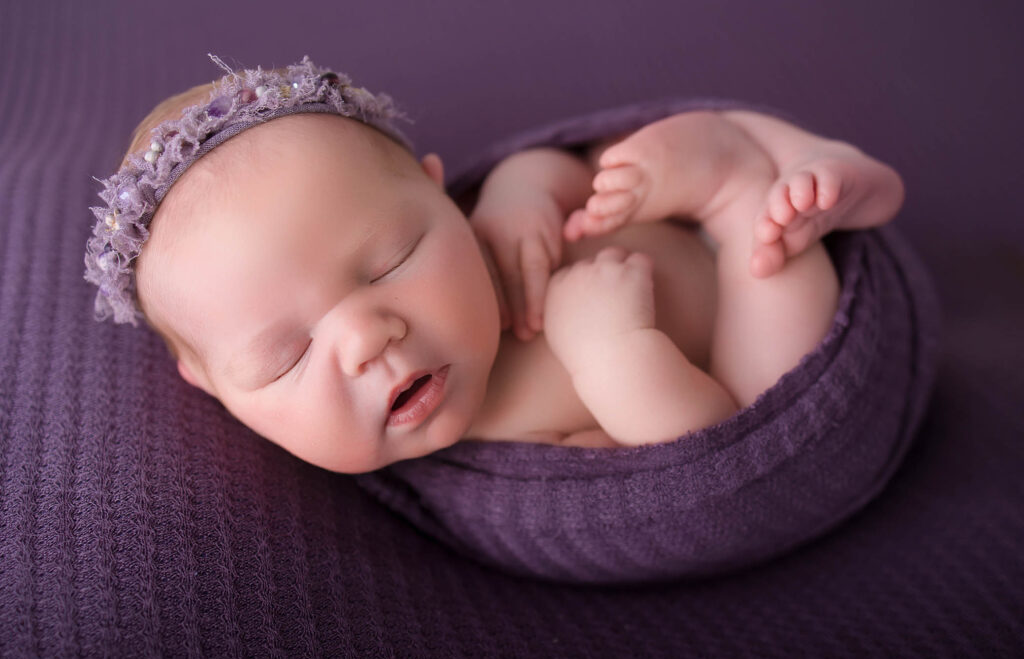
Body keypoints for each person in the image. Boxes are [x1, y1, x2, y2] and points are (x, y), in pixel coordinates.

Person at [85, 56, 904, 473]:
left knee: (614, 161)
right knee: (778, 361)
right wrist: (613, 354)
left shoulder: (483, 229)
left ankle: (780, 154)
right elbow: (708, 450)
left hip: (664, 214)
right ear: (215, 387)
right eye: (285, 356)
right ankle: (755, 191)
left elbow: (560, 174)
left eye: (390, 261)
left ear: (441, 195)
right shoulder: (508, 446)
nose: (370, 337)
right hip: (734, 329)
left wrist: (521, 194)